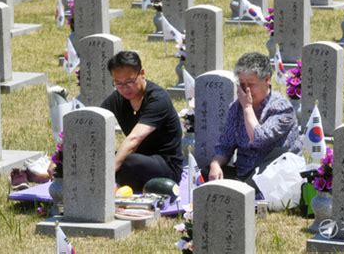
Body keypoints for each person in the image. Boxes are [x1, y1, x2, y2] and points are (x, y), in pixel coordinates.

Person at [203, 52, 302, 193]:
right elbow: (225, 145)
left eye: (250, 84)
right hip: (244, 171)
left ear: (267, 79)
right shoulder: (236, 107)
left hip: (272, 174)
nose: (245, 89)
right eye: (242, 84)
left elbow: (259, 139)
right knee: (206, 174)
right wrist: (215, 164)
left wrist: (247, 108)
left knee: (244, 189)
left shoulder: (281, 108)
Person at [101, 51, 183, 192]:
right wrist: (60, 157)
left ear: (142, 73)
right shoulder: (118, 98)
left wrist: (106, 174)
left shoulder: (158, 99)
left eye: (130, 81)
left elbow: (134, 139)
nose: (125, 88)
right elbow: (93, 120)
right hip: (138, 160)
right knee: (99, 157)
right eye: (118, 83)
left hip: (166, 166)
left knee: (127, 162)